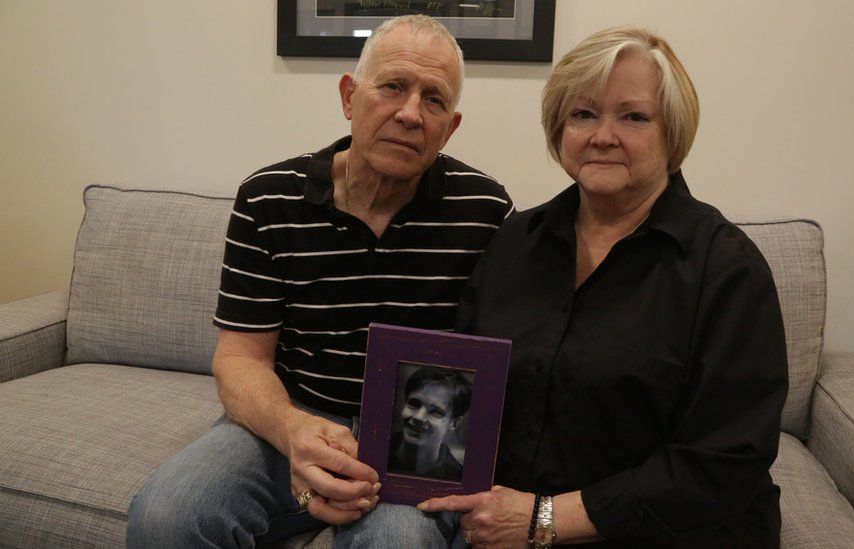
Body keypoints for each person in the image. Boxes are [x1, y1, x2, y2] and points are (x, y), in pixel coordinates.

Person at [125, 14, 512, 548]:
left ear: (451, 125)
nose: (409, 113)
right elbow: (240, 357)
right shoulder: (268, 198)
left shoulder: (485, 211)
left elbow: (486, 374)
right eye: (393, 87)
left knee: (399, 543)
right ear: (350, 97)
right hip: (294, 413)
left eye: (434, 100)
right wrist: (294, 431)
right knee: (167, 514)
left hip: (409, 435)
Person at [420, 26, 789, 548]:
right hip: (506, 522)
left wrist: (543, 519)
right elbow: (463, 390)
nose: (603, 135)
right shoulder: (514, 242)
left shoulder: (726, 271)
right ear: (560, 129)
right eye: (584, 113)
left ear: (672, 134)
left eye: (634, 116)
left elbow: (725, 461)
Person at [388, 366, 472, 481]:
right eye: (414, 404)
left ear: (454, 423)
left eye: (435, 412)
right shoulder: (375, 453)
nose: (418, 417)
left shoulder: (458, 477)